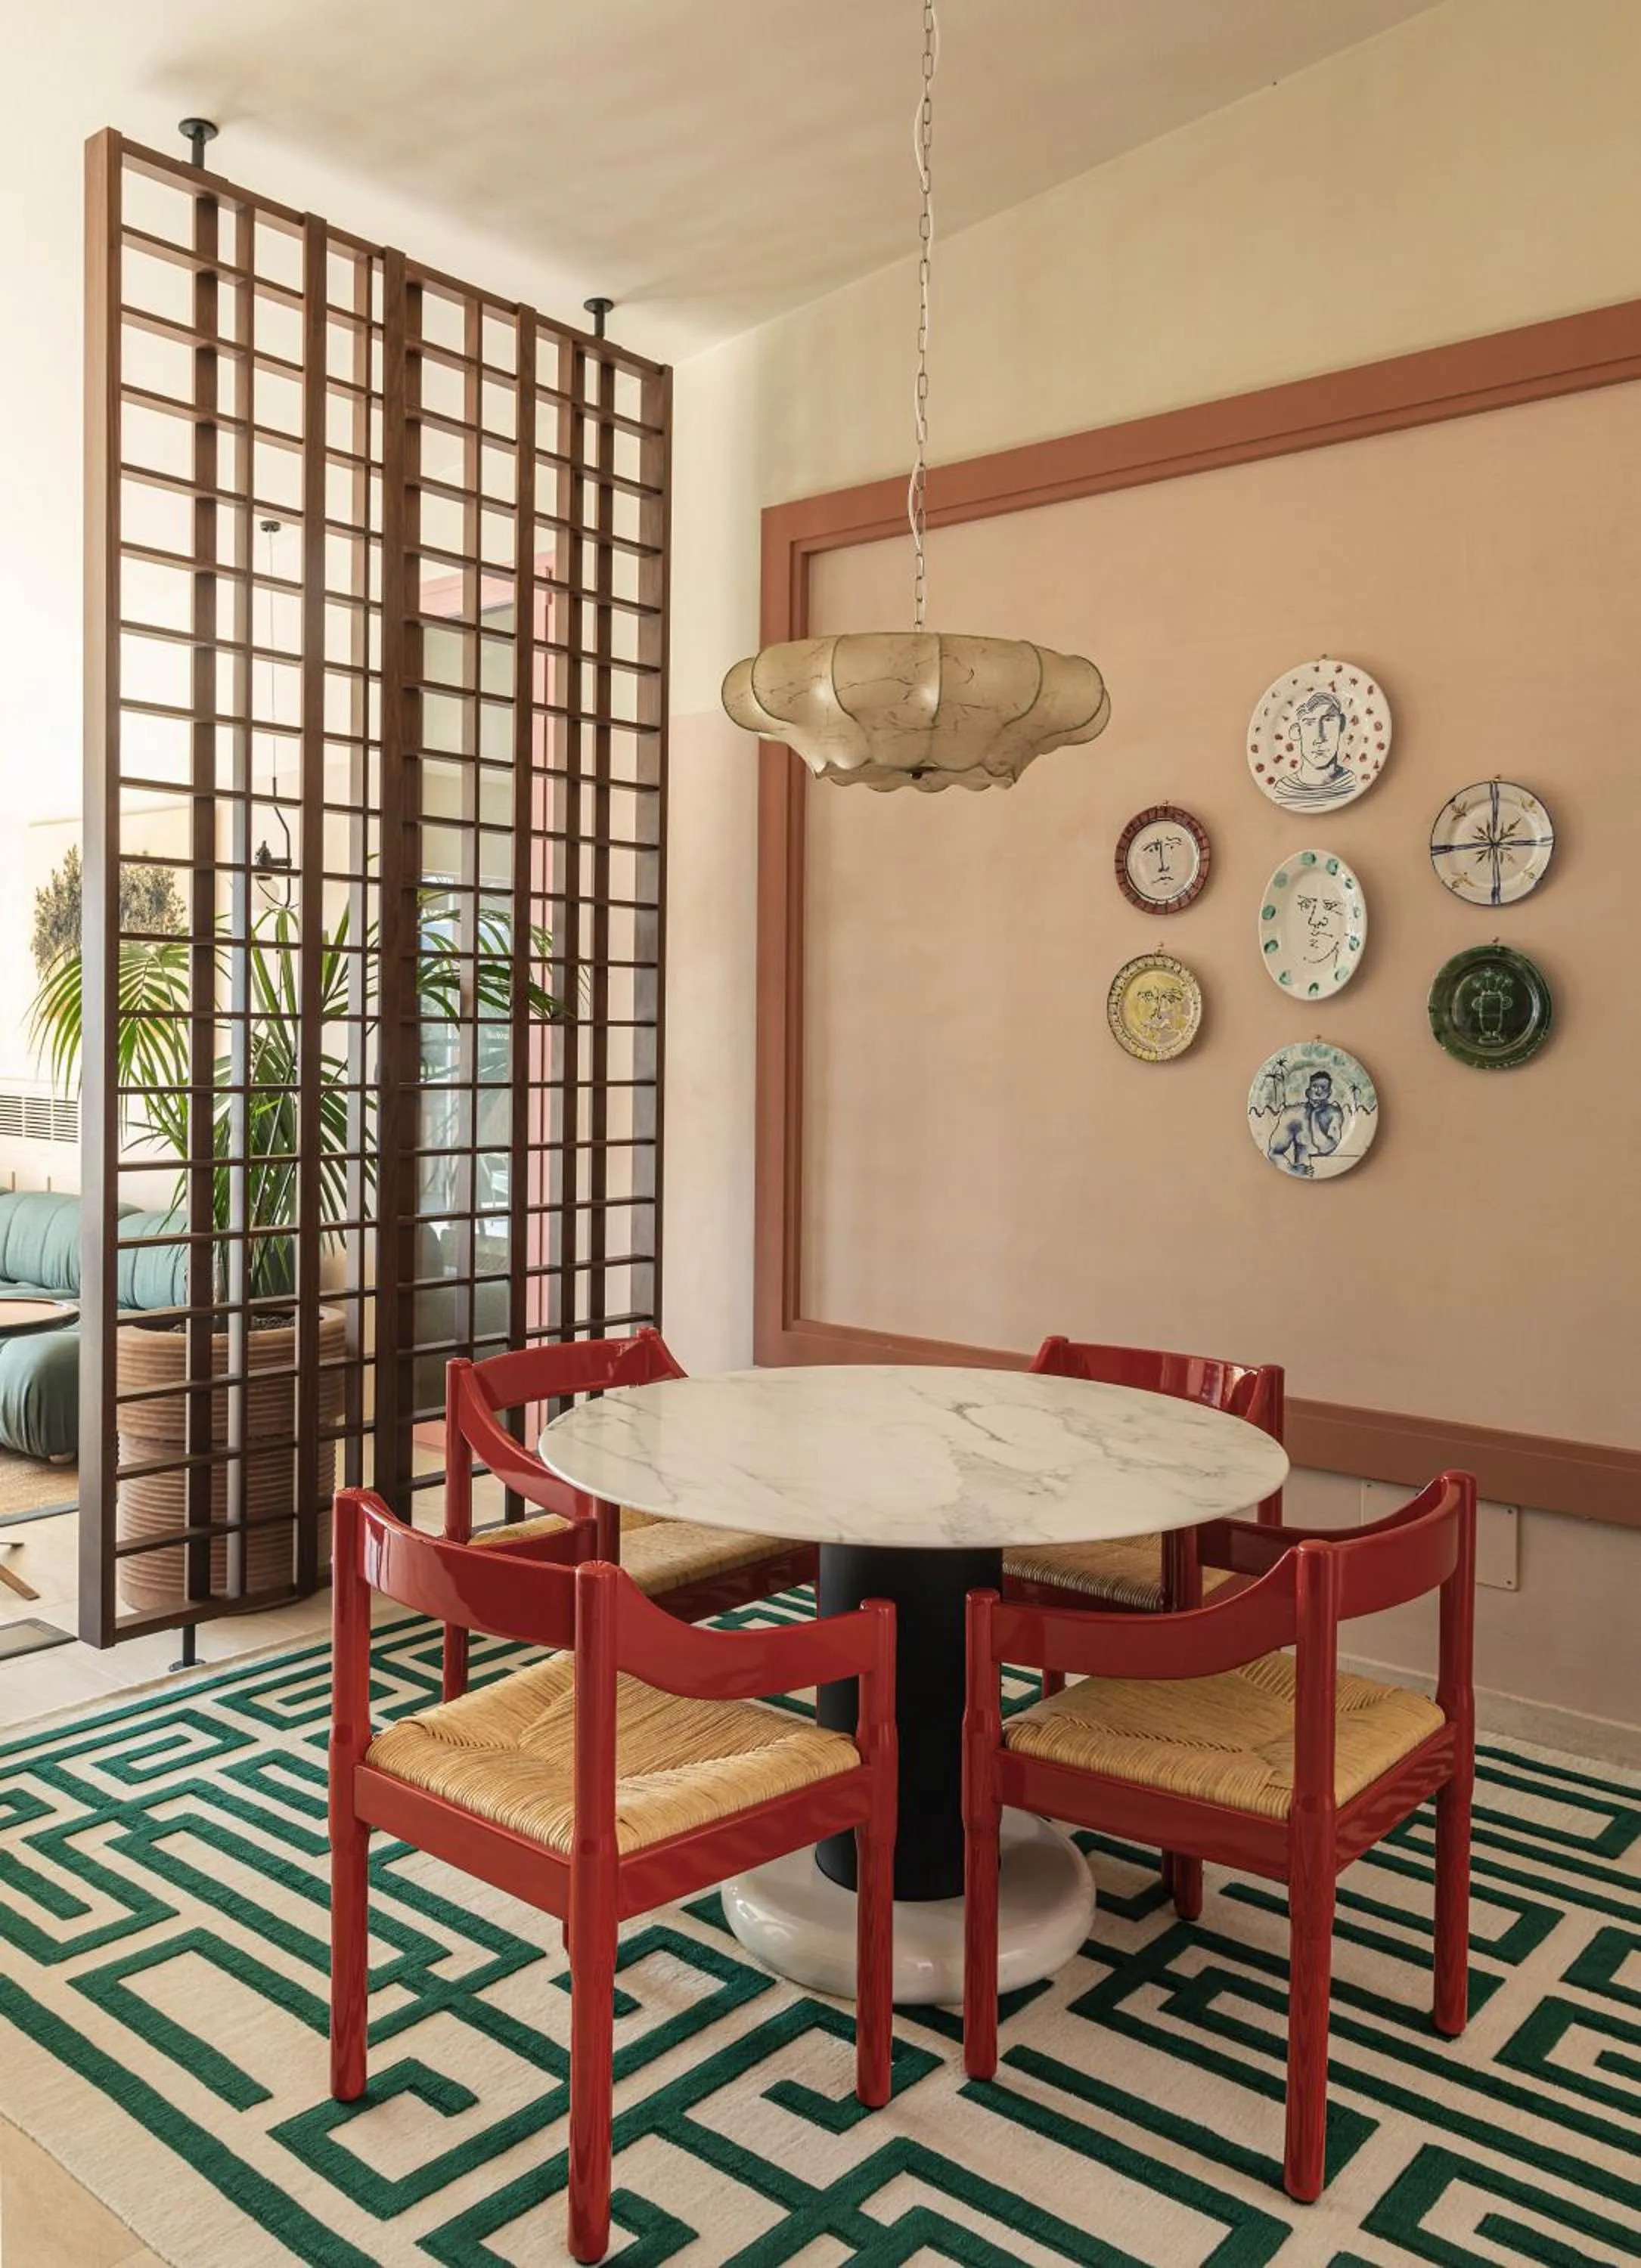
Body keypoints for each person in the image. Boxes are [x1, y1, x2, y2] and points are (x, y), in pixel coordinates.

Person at [1273, 688, 1353, 805]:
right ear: (1297, 731)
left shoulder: (1353, 783)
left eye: (1328, 720)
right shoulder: (1283, 790)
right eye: (1309, 723)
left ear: (1342, 724)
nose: (1319, 739)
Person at [1267, 1068, 1343, 1176]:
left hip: (1335, 1175)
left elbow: (1325, 1148)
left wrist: (1314, 1116)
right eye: (1315, 1086)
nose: (1318, 1091)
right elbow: (1274, 1152)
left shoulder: (1334, 1113)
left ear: (1329, 1092)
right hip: (1303, 1176)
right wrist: (1290, 1169)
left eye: (1323, 1088)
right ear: (1308, 1090)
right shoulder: (1292, 1113)